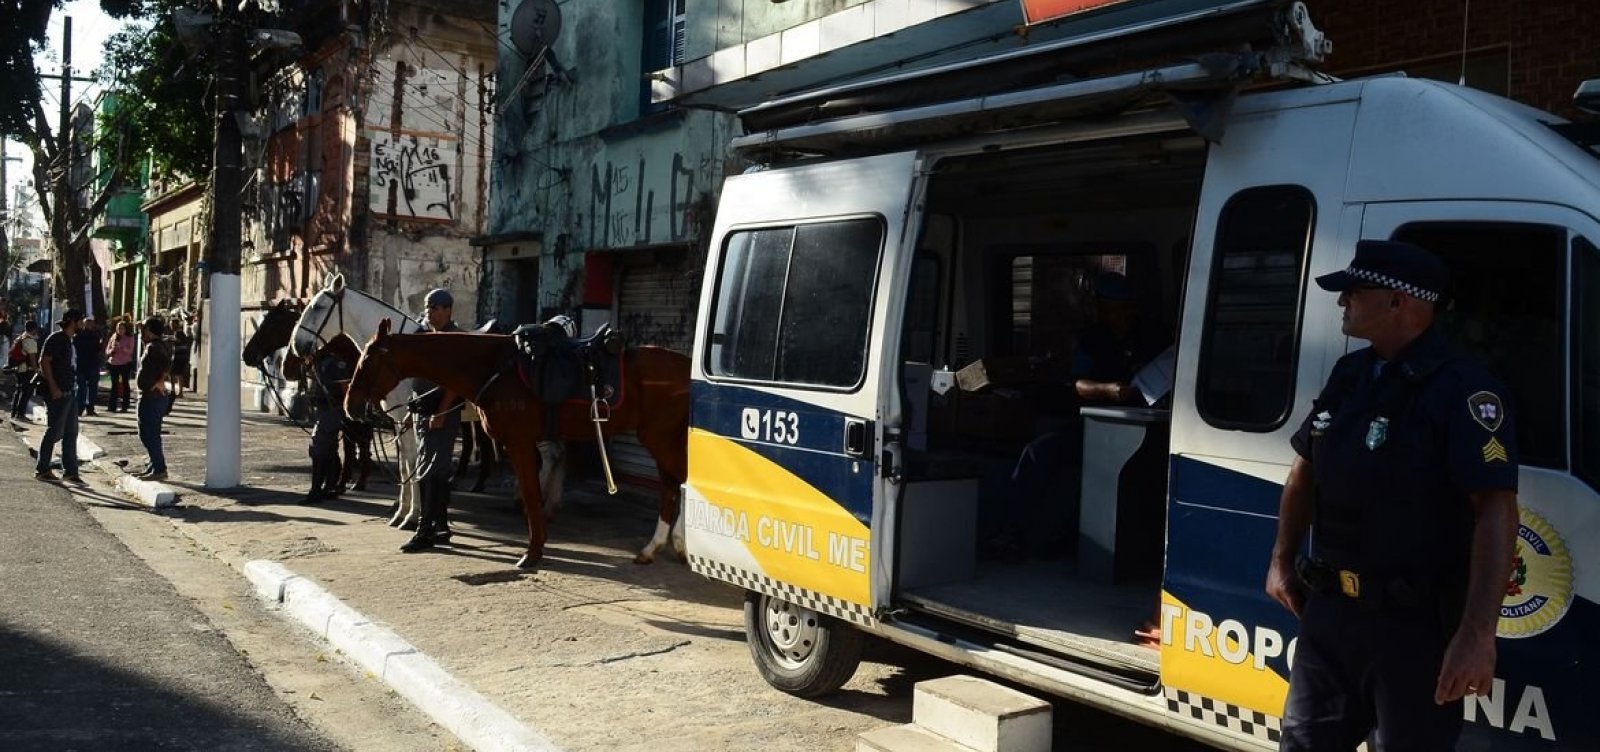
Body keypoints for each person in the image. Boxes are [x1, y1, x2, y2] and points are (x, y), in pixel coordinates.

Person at [1265, 240, 1520, 750]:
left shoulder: (1464, 390)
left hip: (1413, 628)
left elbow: (1496, 512)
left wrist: (1476, 634)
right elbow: (1304, 469)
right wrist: (1282, 559)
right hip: (1331, 615)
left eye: (1354, 293)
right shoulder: (1351, 374)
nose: (1343, 303)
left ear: (1400, 303)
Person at [987, 271, 1170, 562]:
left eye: (1117, 308)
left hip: (1150, 429)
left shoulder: (1154, 336)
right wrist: (1108, 390)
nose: (1111, 314)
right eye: (1106, 308)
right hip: (1097, 425)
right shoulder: (1092, 338)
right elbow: (1079, 383)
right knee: (1039, 452)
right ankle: (1010, 531)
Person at [400, 287, 463, 552]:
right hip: (423, 412)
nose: (430, 312)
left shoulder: (454, 338)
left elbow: (455, 380)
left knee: (431, 472)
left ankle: (425, 531)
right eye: (427, 307)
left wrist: (441, 412)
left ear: (448, 310)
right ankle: (441, 526)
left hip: (442, 414)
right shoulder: (427, 336)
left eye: (435, 307)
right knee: (431, 471)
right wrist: (410, 413)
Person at [35, 309, 84, 482]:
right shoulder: (56, 339)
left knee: (71, 432)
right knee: (55, 430)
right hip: (58, 392)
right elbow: (44, 361)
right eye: (80, 321)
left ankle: (71, 471)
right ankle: (42, 467)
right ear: (72, 322)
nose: (82, 324)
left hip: (70, 390)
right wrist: (54, 387)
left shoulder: (69, 341)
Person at [303, 350, 351, 504]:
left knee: (318, 447)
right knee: (328, 449)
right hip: (322, 410)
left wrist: (345, 412)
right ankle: (330, 486)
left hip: (333, 409)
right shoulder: (317, 363)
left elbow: (345, 389)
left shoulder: (337, 363)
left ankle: (316, 491)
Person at [134, 317, 174, 480]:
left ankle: (159, 468)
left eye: (144, 328)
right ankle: (154, 464)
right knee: (147, 432)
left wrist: (157, 382)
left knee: (149, 433)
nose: (142, 331)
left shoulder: (155, 347)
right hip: (150, 395)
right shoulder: (154, 345)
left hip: (152, 396)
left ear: (150, 329)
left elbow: (167, 365)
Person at [104, 320, 137, 412]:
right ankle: (112, 406)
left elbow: (130, 351)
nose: (120, 330)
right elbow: (107, 349)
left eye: (122, 328)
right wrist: (111, 351)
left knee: (125, 384)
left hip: (125, 363)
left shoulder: (129, 338)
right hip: (113, 363)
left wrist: (122, 347)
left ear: (125, 329)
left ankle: (125, 406)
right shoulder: (114, 336)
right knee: (114, 385)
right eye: (118, 328)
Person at [10, 320, 40, 420]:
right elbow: (32, 358)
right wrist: (36, 371)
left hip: (19, 369)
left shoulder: (21, 337)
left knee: (19, 391)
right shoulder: (30, 341)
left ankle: (14, 413)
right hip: (27, 370)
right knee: (26, 393)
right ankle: (20, 414)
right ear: (34, 329)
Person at [74, 317, 103, 417]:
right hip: (91, 364)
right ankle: (89, 409)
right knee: (90, 388)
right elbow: (99, 349)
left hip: (83, 364)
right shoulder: (95, 336)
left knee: (82, 388)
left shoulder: (78, 335)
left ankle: (80, 409)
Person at [170, 314, 193, 398]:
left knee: (175, 374)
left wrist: (170, 339)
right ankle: (178, 392)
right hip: (181, 357)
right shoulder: (178, 332)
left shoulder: (178, 332)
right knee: (178, 374)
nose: (171, 325)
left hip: (179, 357)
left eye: (172, 324)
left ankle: (175, 391)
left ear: (176, 324)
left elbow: (179, 341)